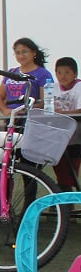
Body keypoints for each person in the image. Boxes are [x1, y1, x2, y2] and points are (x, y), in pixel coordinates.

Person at [0, 37, 54, 118]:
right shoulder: (11, 72)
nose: (21, 56)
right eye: (17, 53)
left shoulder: (44, 74)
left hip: (31, 118)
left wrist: (24, 110)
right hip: (11, 118)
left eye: (24, 52)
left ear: (34, 53)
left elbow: (45, 101)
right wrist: (6, 111)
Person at [52, 56, 81, 190]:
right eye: (59, 73)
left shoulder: (79, 87)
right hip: (57, 134)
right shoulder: (53, 87)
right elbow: (48, 107)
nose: (63, 76)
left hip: (75, 135)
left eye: (67, 72)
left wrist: (62, 113)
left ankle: (67, 193)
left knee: (71, 169)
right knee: (59, 166)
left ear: (75, 74)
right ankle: (64, 192)